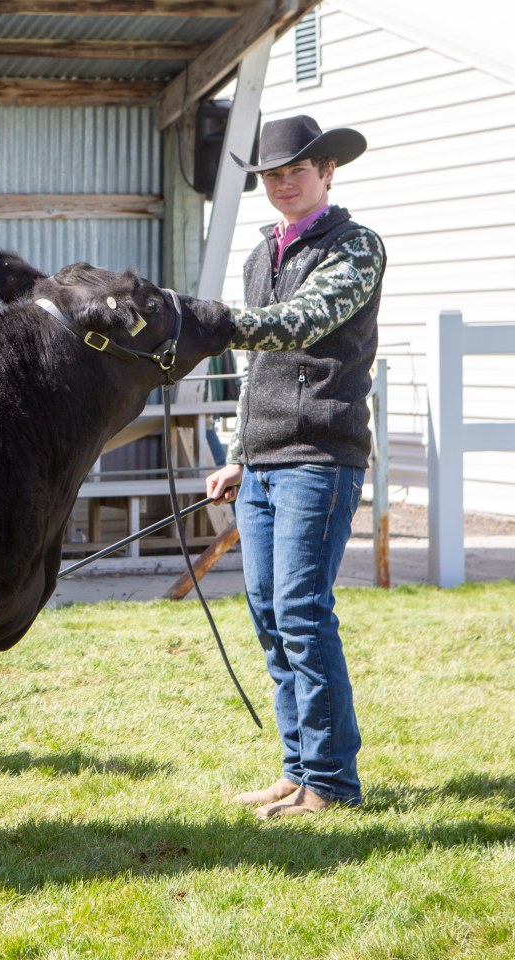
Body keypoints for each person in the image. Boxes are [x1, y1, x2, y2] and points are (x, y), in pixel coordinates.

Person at [205, 115, 386, 819]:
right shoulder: (262, 255)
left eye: (297, 171)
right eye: (273, 175)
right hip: (263, 462)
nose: (284, 184)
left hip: (321, 456)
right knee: (270, 617)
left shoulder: (356, 246)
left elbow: (303, 322)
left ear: (328, 172)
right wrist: (237, 456)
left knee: (303, 615)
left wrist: (207, 320)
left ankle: (331, 783)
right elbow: (257, 369)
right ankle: (298, 769)